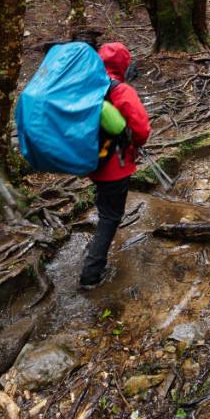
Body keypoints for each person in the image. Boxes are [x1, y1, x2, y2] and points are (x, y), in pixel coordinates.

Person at [79, 42, 151, 289]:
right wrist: (134, 143)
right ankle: (91, 274)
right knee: (111, 217)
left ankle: (95, 248)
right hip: (115, 167)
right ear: (123, 64)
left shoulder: (86, 86)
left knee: (105, 207)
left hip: (91, 162)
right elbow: (142, 129)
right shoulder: (121, 91)